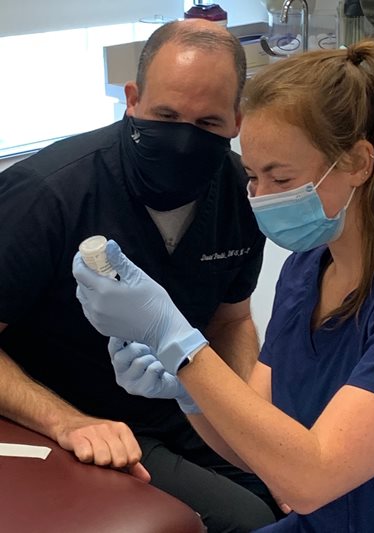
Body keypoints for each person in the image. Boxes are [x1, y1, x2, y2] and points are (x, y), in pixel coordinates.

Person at [73, 39, 374, 532]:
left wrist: (178, 342)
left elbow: (310, 479)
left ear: (357, 162)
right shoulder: (306, 270)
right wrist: (188, 392)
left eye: (281, 178)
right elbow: (259, 447)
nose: (261, 199)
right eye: (252, 177)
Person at [0, 19, 279, 532]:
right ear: (132, 98)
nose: (182, 141)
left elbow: (232, 321)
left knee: (300, 498)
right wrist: (67, 421)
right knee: (251, 521)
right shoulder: (47, 195)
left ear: (237, 121)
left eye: (208, 124)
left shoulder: (242, 193)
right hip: (82, 416)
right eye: (166, 115)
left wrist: (246, 418)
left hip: (184, 407)